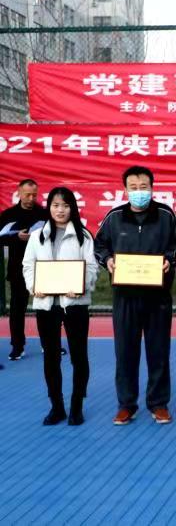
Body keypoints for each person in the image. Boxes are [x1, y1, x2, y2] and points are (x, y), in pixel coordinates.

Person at [94, 166, 176, 425]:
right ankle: (126, 404)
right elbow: (99, 245)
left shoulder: (165, 215)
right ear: (125, 190)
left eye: (144, 187)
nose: (139, 191)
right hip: (125, 296)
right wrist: (108, 260)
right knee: (125, 353)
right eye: (133, 187)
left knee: (159, 351)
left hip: (158, 296)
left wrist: (169, 259)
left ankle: (158, 403)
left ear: (152, 188)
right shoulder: (114, 217)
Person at [22, 187, 97, 426]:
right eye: (55, 205)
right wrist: (34, 286)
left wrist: (81, 286)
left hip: (75, 304)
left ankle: (76, 406)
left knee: (79, 356)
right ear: (49, 208)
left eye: (65, 205)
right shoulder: (37, 236)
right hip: (46, 305)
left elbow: (92, 267)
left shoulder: (83, 236)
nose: (60, 210)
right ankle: (57, 407)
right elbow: (28, 265)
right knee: (51, 357)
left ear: (72, 208)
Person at [0, 179, 48, 361]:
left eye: (34, 195)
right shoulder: (8, 215)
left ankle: (49, 343)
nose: (31, 198)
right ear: (19, 193)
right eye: (27, 194)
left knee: (46, 307)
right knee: (17, 309)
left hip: (42, 266)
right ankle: (17, 346)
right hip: (17, 267)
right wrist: (16, 237)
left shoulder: (44, 213)